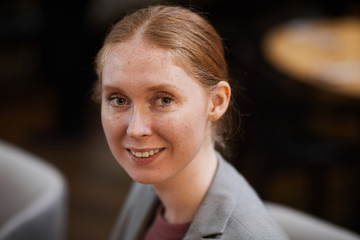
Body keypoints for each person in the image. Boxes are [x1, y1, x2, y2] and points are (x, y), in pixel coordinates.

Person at [94, 5, 289, 240]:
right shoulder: (150, 180)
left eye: (164, 99)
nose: (136, 130)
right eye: (118, 99)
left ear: (216, 102)